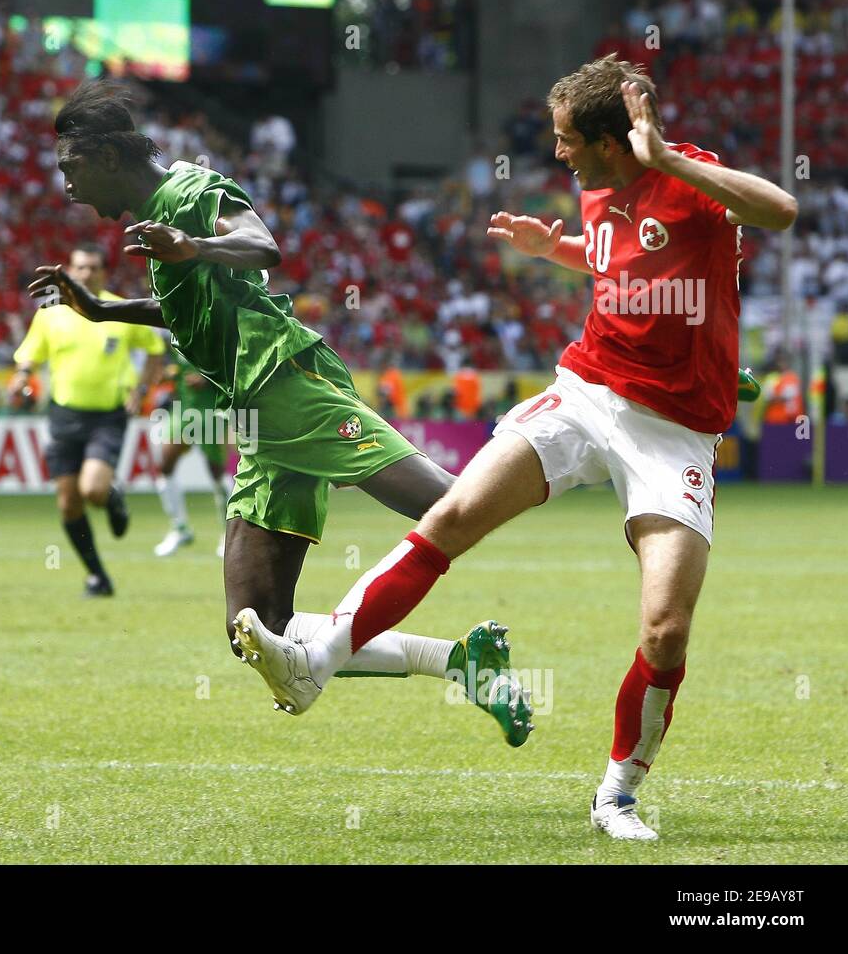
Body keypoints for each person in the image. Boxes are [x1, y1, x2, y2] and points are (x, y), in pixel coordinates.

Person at [234, 55, 797, 841]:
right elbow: (619, 265)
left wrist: (666, 158)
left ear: (612, 140)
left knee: (665, 629)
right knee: (456, 511)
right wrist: (552, 252)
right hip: (586, 391)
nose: (557, 152)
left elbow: (780, 211)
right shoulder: (593, 186)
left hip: (674, 430)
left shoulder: (686, 179)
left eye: (568, 139)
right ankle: (317, 658)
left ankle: (617, 794)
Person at [28, 82, 528, 744]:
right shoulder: (156, 217)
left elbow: (262, 246)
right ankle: (464, 665)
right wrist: (101, 308)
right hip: (257, 414)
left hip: (286, 381)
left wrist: (195, 246)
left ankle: (547, 452)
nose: (66, 186)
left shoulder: (189, 191)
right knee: (255, 628)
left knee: (452, 506)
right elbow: (187, 307)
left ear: (107, 157)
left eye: (71, 168)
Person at [11, 242, 165, 597]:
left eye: (93, 268)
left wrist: (141, 391)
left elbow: (156, 350)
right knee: (68, 502)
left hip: (108, 416)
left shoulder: (118, 309)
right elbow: (29, 355)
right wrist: (21, 378)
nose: (85, 274)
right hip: (64, 415)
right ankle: (97, 575)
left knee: (91, 490)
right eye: (79, 268)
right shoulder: (50, 312)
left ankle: (109, 494)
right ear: (69, 270)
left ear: (103, 272)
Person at [152, 347, 232, 558]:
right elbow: (171, 366)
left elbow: (233, 366)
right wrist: (168, 374)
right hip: (182, 409)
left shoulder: (213, 330)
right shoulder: (175, 332)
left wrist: (206, 379)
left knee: (216, 472)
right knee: (165, 465)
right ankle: (179, 528)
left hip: (210, 409)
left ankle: (228, 533)